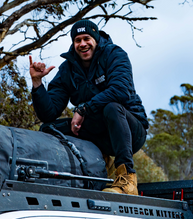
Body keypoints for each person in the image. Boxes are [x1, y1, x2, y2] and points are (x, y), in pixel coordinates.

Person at [29, 19, 149, 195]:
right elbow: (49, 113)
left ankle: (127, 180)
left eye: (87, 38)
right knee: (50, 128)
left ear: (96, 39)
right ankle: (85, 173)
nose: (83, 44)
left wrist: (83, 109)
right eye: (78, 40)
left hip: (130, 131)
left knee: (112, 108)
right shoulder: (67, 70)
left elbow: (121, 90)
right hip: (98, 133)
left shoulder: (114, 54)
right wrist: (37, 84)